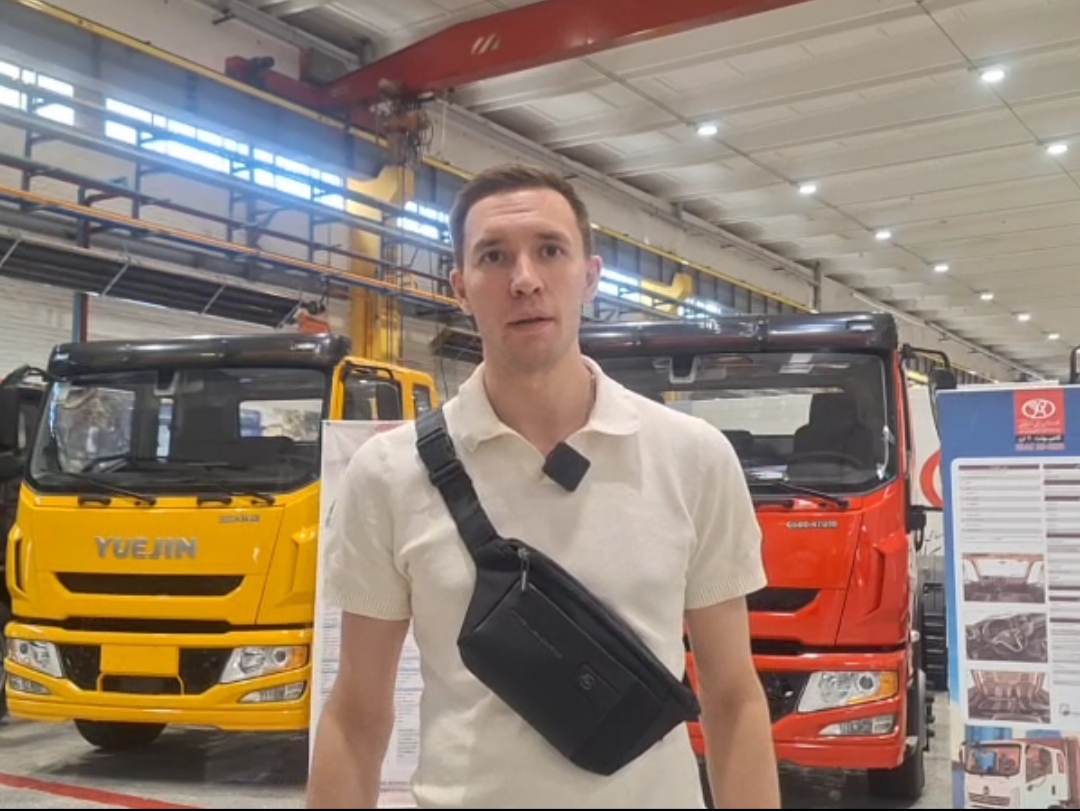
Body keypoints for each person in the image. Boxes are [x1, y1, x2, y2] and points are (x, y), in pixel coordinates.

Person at [306, 163, 779, 809]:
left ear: (590, 275)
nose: (524, 279)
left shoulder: (692, 456)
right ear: (461, 287)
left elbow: (732, 698)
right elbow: (356, 715)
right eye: (494, 256)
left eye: (550, 250)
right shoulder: (388, 473)